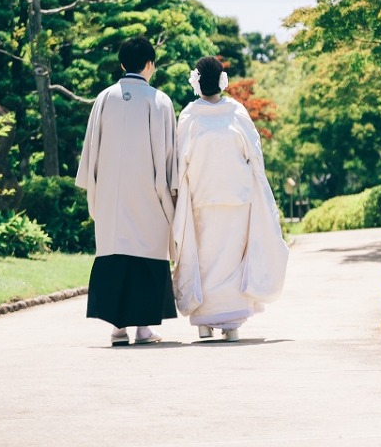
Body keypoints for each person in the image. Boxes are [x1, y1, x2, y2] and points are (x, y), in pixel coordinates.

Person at [172, 55, 289, 342]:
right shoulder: (236, 111)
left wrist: (177, 192)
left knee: (203, 258)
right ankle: (231, 323)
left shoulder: (189, 115)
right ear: (222, 81)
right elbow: (254, 153)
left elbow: (179, 160)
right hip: (237, 195)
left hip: (202, 195)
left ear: (197, 82)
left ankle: (203, 321)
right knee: (231, 259)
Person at [76, 36, 178, 346]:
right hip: (149, 194)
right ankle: (143, 329)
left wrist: (95, 187)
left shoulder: (104, 98)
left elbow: (91, 148)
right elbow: (169, 153)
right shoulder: (159, 100)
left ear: (122, 64)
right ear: (149, 64)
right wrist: (173, 192)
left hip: (110, 195)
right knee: (147, 258)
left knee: (115, 256)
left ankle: (117, 328)